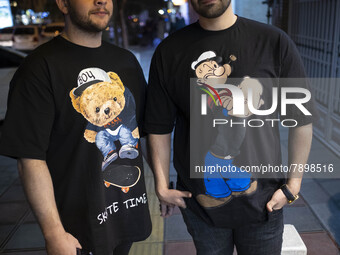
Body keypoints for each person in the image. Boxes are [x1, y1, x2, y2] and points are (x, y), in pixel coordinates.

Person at [144, 0, 317, 254]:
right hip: (202, 210)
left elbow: (301, 119)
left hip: (265, 204)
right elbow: (158, 126)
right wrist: (161, 185)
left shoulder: (272, 42)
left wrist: (294, 184)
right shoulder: (170, 51)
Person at [0, 0, 151, 254]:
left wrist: (162, 185)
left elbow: (144, 132)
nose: (101, 1)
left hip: (126, 215)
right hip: (77, 230)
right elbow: (30, 159)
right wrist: (54, 232)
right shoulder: (39, 68)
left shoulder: (126, 62)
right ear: (63, 3)